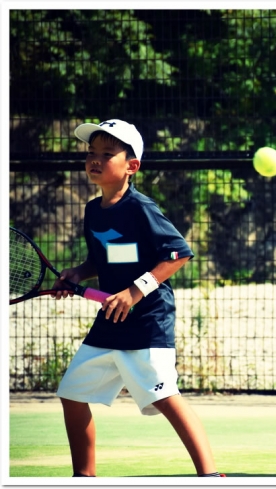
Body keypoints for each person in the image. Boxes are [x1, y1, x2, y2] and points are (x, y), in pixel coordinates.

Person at [53, 119, 225, 478]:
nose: (94, 160)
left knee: (164, 397)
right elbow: (103, 258)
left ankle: (209, 478)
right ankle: (83, 477)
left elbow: (178, 254)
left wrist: (133, 292)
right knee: (71, 392)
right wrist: (77, 274)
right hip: (110, 322)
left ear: (132, 166)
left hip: (148, 322)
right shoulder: (92, 211)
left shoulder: (141, 208)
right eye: (91, 153)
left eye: (106, 153)